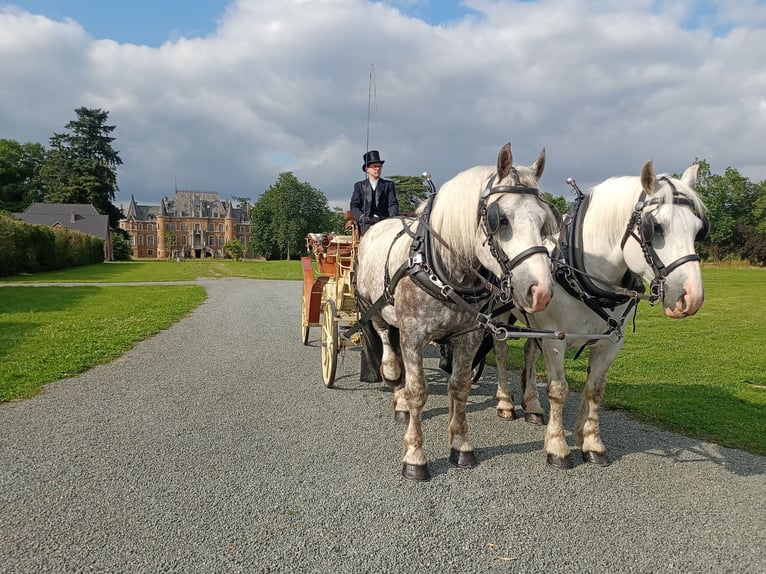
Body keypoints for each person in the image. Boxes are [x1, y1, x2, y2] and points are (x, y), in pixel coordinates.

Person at [350, 150, 399, 235]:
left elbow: (393, 204)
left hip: (384, 222)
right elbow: (354, 206)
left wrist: (392, 217)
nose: (378, 169)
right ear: (367, 169)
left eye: (380, 166)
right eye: (375, 166)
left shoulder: (388, 185)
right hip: (366, 223)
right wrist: (361, 217)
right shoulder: (359, 186)